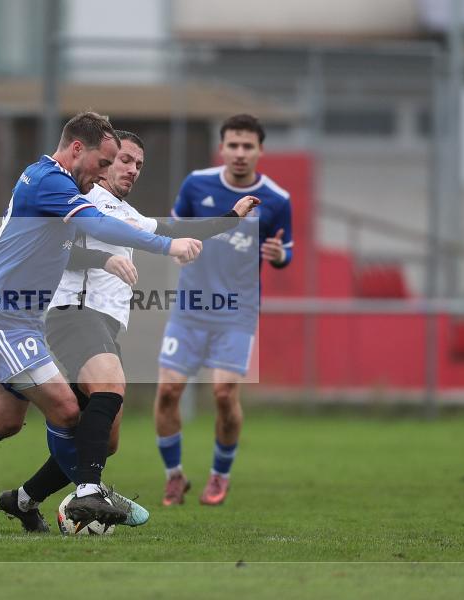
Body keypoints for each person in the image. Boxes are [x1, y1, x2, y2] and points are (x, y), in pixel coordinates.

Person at [0, 112, 203, 526]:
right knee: (68, 408)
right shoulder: (50, 181)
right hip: (1, 317)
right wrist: (165, 245)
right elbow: (98, 222)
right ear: (76, 150)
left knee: (4, 422)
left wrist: (105, 258)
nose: (104, 173)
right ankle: (91, 492)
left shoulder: (52, 183)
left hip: (21, 320)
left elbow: (67, 245)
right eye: (103, 163)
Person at [0, 129, 260, 532]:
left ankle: (23, 499)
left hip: (103, 324)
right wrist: (102, 259)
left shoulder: (126, 212)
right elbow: (54, 251)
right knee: (109, 389)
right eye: (124, 160)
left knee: (104, 440)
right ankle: (88, 492)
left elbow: (170, 230)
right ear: (104, 162)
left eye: (139, 164)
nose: (132, 169)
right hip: (74, 313)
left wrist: (232, 217)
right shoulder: (81, 200)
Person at [154, 113, 293, 507]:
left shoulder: (278, 200)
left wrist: (280, 255)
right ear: (222, 147)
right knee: (168, 391)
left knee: (223, 393)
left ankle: (220, 474)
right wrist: (178, 248)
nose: (240, 152)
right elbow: (175, 230)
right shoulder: (197, 184)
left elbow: (288, 251)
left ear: (260, 151)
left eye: (248, 145)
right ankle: (174, 478)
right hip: (190, 306)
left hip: (237, 310)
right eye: (233, 144)